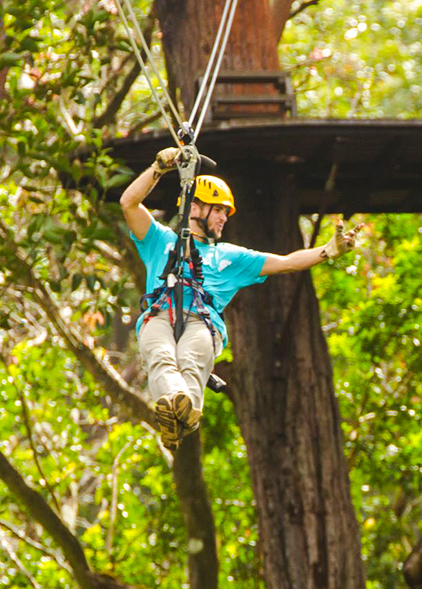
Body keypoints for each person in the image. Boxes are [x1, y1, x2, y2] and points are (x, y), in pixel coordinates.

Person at [121, 147, 364, 447]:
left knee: (189, 360)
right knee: (160, 355)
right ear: (194, 209)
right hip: (159, 315)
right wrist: (158, 168)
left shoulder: (230, 257)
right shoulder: (160, 240)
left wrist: (328, 251)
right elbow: (129, 203)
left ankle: (184, 412)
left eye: (226, 212)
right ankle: (175, 407)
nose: (224, 218)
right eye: (219, 210)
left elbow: (286, 262)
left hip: (201, 322)